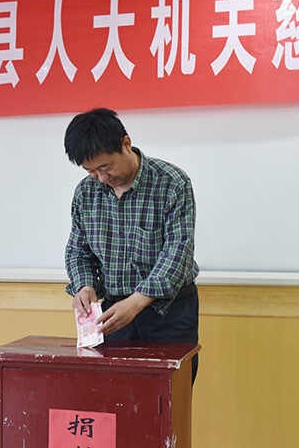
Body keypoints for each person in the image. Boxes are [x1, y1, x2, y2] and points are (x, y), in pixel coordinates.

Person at [63, 108, 200, 384]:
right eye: (91, 171)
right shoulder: (86, 193)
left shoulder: (171, 183)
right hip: (113, 315)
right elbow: (78, 251)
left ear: (126, 144)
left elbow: (178, 253)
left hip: (168, 314)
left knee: (169, 398)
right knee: (115, 399)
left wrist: (137, 302)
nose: (101, 178)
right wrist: (85, 286)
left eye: (106, 167)